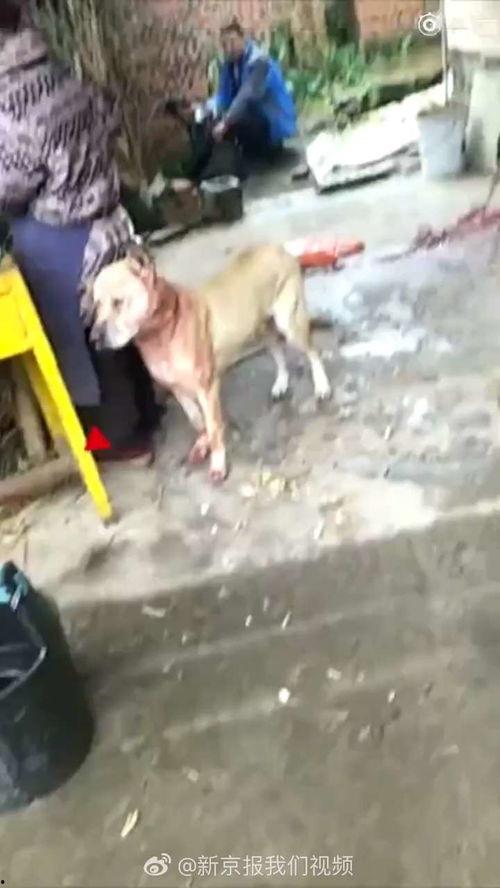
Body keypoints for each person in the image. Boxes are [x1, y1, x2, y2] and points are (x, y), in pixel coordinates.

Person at [0, 0, 160, 463]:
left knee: (82, 337)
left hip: (63, 237)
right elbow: (108, 115)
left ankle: (119, 441)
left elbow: (11, 187)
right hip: (108, 218)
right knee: (119, 315)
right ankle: (148, 412)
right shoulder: (59, 73)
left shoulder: (8, 103)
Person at [210, 19, 297, 161]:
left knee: (241, 112)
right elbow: (223, 96)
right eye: (225, 45)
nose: (229, 48)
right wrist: (204, 108)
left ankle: (266, 152)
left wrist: (225, 122)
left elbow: (247, 95)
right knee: (215, 118)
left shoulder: (259, 61)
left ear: (243, 38)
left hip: (270, 121)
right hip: (252, 118)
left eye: (232, 42)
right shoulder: (230, 65)